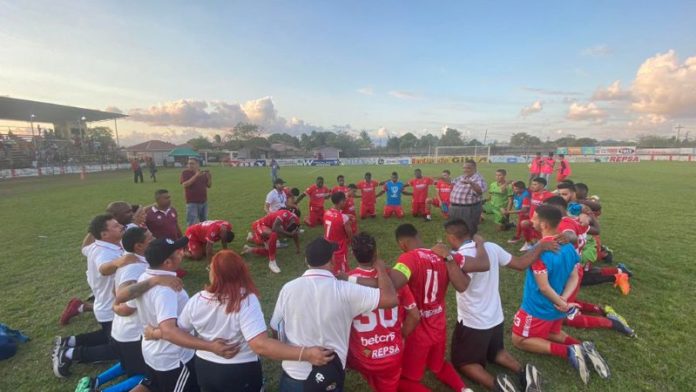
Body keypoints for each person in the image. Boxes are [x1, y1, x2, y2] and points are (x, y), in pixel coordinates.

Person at [145, 250, 334, 392]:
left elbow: (178, 331)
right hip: (239, 371)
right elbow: (260, 345)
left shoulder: (197, 299)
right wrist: (306, 353)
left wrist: (155, 333)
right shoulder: (245, 300)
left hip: (205, 369)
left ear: (216, 274)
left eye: (211, 267)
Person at [269, 237, 399, 391]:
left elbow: (276, 330)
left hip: (293, 374)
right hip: (329, 375)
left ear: (306, 260)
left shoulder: (288, 289)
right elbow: (390, 299)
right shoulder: (345, 290)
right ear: (332, 259)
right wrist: (381, 270)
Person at [444, 219, 558, 391]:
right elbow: (520, 264)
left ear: (451, 237)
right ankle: (523, 371)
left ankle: (498, 386)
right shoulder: (491, 247)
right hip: (495, 317)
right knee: (496, 352)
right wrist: (540, 247)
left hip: (474, 322)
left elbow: (461, 286)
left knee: (463, 362)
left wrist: (448, 259)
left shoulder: (460, 257)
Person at [510, 205, 610, 385]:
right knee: (552, 331)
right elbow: (574, 276)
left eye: (534, 218)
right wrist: (564, 299)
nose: (531, 221)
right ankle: (582, 347)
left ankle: (569, 352)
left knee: (519, 340)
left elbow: (543, 287)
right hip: (557, 308)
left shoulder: (540, 251)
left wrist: (561, 302)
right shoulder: (569, 247)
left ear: (544, 224)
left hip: (538, 308)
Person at [388, 223, 488, 392]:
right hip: (438, 328)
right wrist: (480, 244)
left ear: (402, 244)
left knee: (404, 380)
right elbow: (483, 264)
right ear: (419, 236)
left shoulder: (408, 258)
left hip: (416, 334)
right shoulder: (445, 255)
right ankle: (465, 390)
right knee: (439, 365)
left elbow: (393, 284)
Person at [134, 237, 240, 392]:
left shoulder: (145, 278)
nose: (182, 253)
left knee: (151, 385)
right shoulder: (165, 290)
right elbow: (169, 331)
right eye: (178, 252)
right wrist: (210, 346)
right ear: (167, 263)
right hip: (173, 358)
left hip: (153, 351)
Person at [544, 196, 635, 337]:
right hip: (573, 269)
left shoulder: (564, 224)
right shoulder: (575, 220)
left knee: (564, 315)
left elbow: (570, 235)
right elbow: (596, 229)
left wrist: (567, 237)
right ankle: (602, 310)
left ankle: (612, 323)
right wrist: (588, 215)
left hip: (568, 272)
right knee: (561, 300)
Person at [346, 233, 420, 392]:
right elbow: (414, 315)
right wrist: (401, 336)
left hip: (361, 356)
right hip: (391, 356)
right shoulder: (394, 280)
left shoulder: (346, 281)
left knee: (372, 375)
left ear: (353, 253)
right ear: (376, 253)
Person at [53, 215, 123, 378]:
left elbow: (84, 246)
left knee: (109, 336)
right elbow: (104, 269)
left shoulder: (98, 245)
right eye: (115, 225)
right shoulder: (104, 253)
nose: (120, 225)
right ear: (104, 234)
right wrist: (122, 262)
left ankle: (70, 342)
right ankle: (70, 354)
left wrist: (92, 229)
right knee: (118, 348)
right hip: (110, 308)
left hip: (104, 306)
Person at [242, 208, 301, 274]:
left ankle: (249, 249)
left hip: (268, 228)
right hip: (260, 224)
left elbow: (295, 234)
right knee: (274, 234)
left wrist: (298, 248)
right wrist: (289, 234)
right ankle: (272, 262)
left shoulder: (296, 221)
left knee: (270, 251)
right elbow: (275, 228)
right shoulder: (285, 214)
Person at [449, 160, 487, 235]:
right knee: (456, 229)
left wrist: (471, 183)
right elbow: (451, 182)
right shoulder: (462, 177)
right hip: (455, 207)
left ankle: (470, 244)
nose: (465, 170)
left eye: (468, 168)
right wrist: (441, 178)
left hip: (468, 209)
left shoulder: (478, 178)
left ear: (475, 168)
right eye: (464, 168)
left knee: (468, 230)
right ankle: (459, 244)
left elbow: (480, 191)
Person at [518, 177, 555, 251]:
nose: (532, 186)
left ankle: (540, 244)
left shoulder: (549, 196)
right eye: (532, 184)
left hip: (542, 220)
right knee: (524, 224)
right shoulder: (532, 193)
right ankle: (528, 243)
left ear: (541, 186)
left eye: (535, 184)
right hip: (532, 219)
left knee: (540, 238)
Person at [323, 192, 354, 274]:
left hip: (327, 243)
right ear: (341, 202)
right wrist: (351, 243)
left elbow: (335, 216)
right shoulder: (343, 217)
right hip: (339, 246)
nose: (345, 203)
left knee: (331, 263)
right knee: (342, 269)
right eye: (344, 201)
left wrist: (346, 215)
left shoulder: (326, 212)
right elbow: (349, 233)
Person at [180, 157, 212, 226]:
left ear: (198, 164)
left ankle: (203, 235)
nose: (189, 165)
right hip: (192, 202)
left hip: (204, 201)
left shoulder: (203, 173)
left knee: (204, 222)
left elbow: (209, 185)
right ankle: (191, 236)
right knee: (192, 222)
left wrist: (209, 178)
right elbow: (185, 184)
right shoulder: (185, 172)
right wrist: (196, 175)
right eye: (188, 163)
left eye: (192, 163)